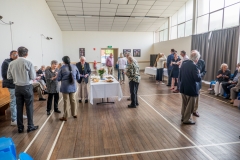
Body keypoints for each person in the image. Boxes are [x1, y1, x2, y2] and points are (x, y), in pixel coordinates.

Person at [7, 46, 38, 133]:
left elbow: (9, 77)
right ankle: (30, 126)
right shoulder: (28, 62)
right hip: (27, 86)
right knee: (29, 107)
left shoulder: (11, 63)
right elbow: (33, 77)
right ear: (27, 54)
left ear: (17, 53)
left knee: (19, 107)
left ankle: (20, 127)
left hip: (17, 87)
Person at [1, 50, 27, 126]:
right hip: (11, 84)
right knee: (14, 102)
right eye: (14, 54)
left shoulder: (17, 62)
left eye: (17, 54)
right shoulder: (6, 62)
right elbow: (4, 74)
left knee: (20, 101)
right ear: (10, 55)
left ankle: (19, 115)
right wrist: (15, 73)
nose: (16, 55)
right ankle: (13, 119)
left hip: (17, 84)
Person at [179, 51, 202, 125]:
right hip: (191, 88)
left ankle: (183, 117)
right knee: (190, 106)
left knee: (184, 104)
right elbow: (197, 79)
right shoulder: (194, 66)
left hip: (183, 87)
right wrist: (199, 73)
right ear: (196, 59)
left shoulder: (184, 64)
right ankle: (187, 119)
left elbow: (180, 76)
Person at [58, 56, 80, 121]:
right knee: (73, 100)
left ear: (63, 61)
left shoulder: (62, 68)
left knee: (66, 101)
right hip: (73, 86)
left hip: (65, 87)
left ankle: (65, 116)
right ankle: (74, 113)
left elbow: (58, 78)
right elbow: (78, 77)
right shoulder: (74, 67)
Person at [193, 51, 206, 117]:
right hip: (191, 82)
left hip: (198, 81)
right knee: (191, 97)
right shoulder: (190, 62)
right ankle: (189, 110)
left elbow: (204, 71)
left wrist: (200, 74)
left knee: (197, 97)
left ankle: (195, 110)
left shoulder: (202, 62)